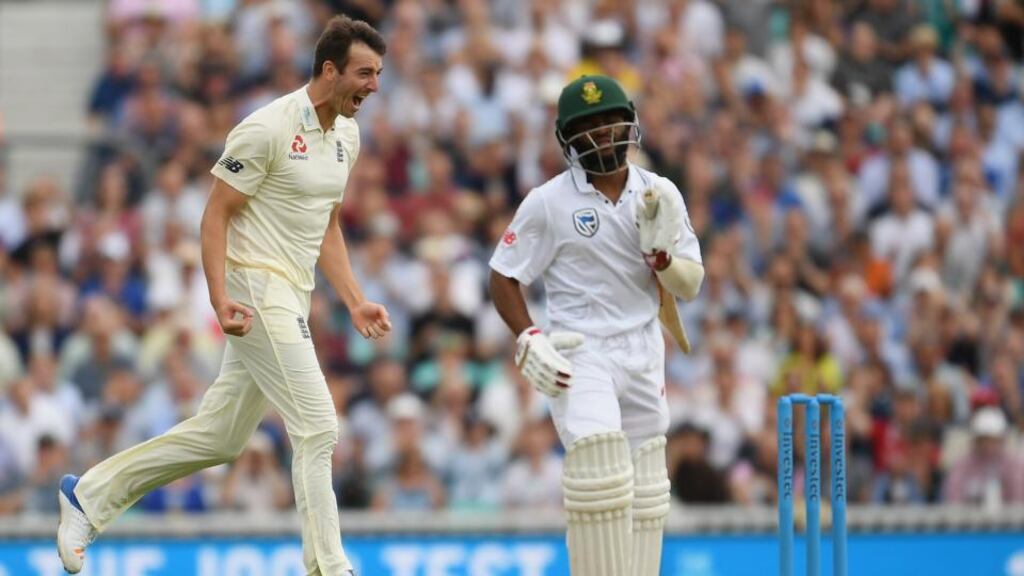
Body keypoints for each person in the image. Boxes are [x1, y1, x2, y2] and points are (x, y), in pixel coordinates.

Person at [56, 15, 390, 576]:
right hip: (255, 288)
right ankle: (330, 567)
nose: (373, 86)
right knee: (319, 427)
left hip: (293, 294)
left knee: (222, 437)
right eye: (364, 73)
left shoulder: (347, 136)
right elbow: (215, 217)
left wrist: (354, 298)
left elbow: (324, 225)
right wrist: (217, 297)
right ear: (329, 70)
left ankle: (89, 496)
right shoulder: (267, 127)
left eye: (378, 74)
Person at [488, 75, 705, 576]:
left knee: (645, 485)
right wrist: (528, 337)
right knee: (600, 469)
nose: (603, 133)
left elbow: (689, 284)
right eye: (588, 126)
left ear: (629, 122)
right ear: (568, 139)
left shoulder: (660, 192)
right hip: (581, 350)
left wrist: (662, 260)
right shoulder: (548, 201)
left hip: (643, 346)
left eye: (610, 121)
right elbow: (503, 274)